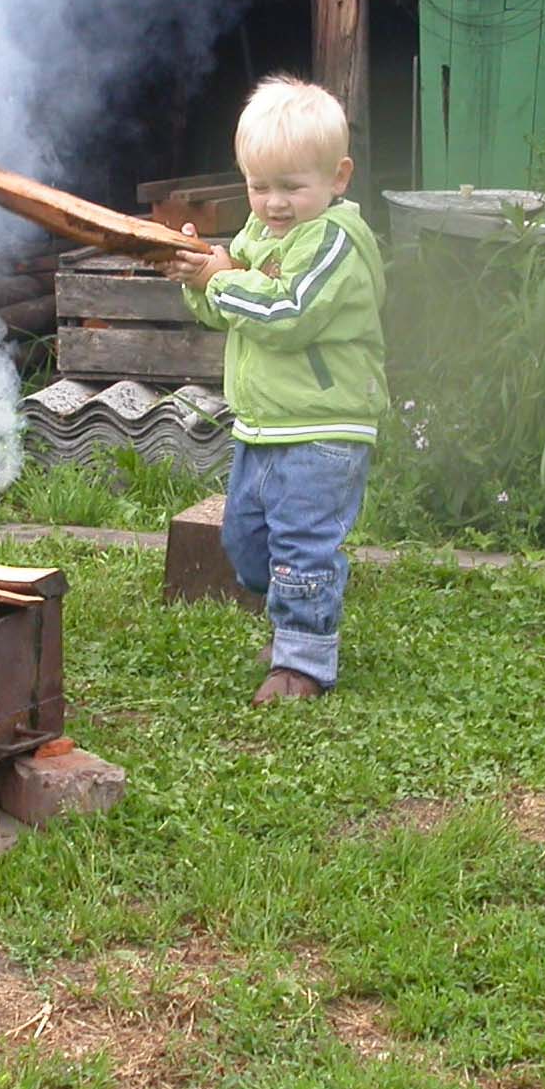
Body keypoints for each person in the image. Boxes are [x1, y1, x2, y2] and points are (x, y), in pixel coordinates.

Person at [161, 73, 387, 702]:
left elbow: (286, 314)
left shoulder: (336, 241)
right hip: (262, 423)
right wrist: (196, 276)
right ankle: (296, 613)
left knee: (301, 545)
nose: (274, 203)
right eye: (260, 187)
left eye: (293, 187)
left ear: (338, 178)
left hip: (325, 427)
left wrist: (222, 278)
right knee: (246, 542)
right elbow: (227, 309)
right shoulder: (259, 237)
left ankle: (303, 661)